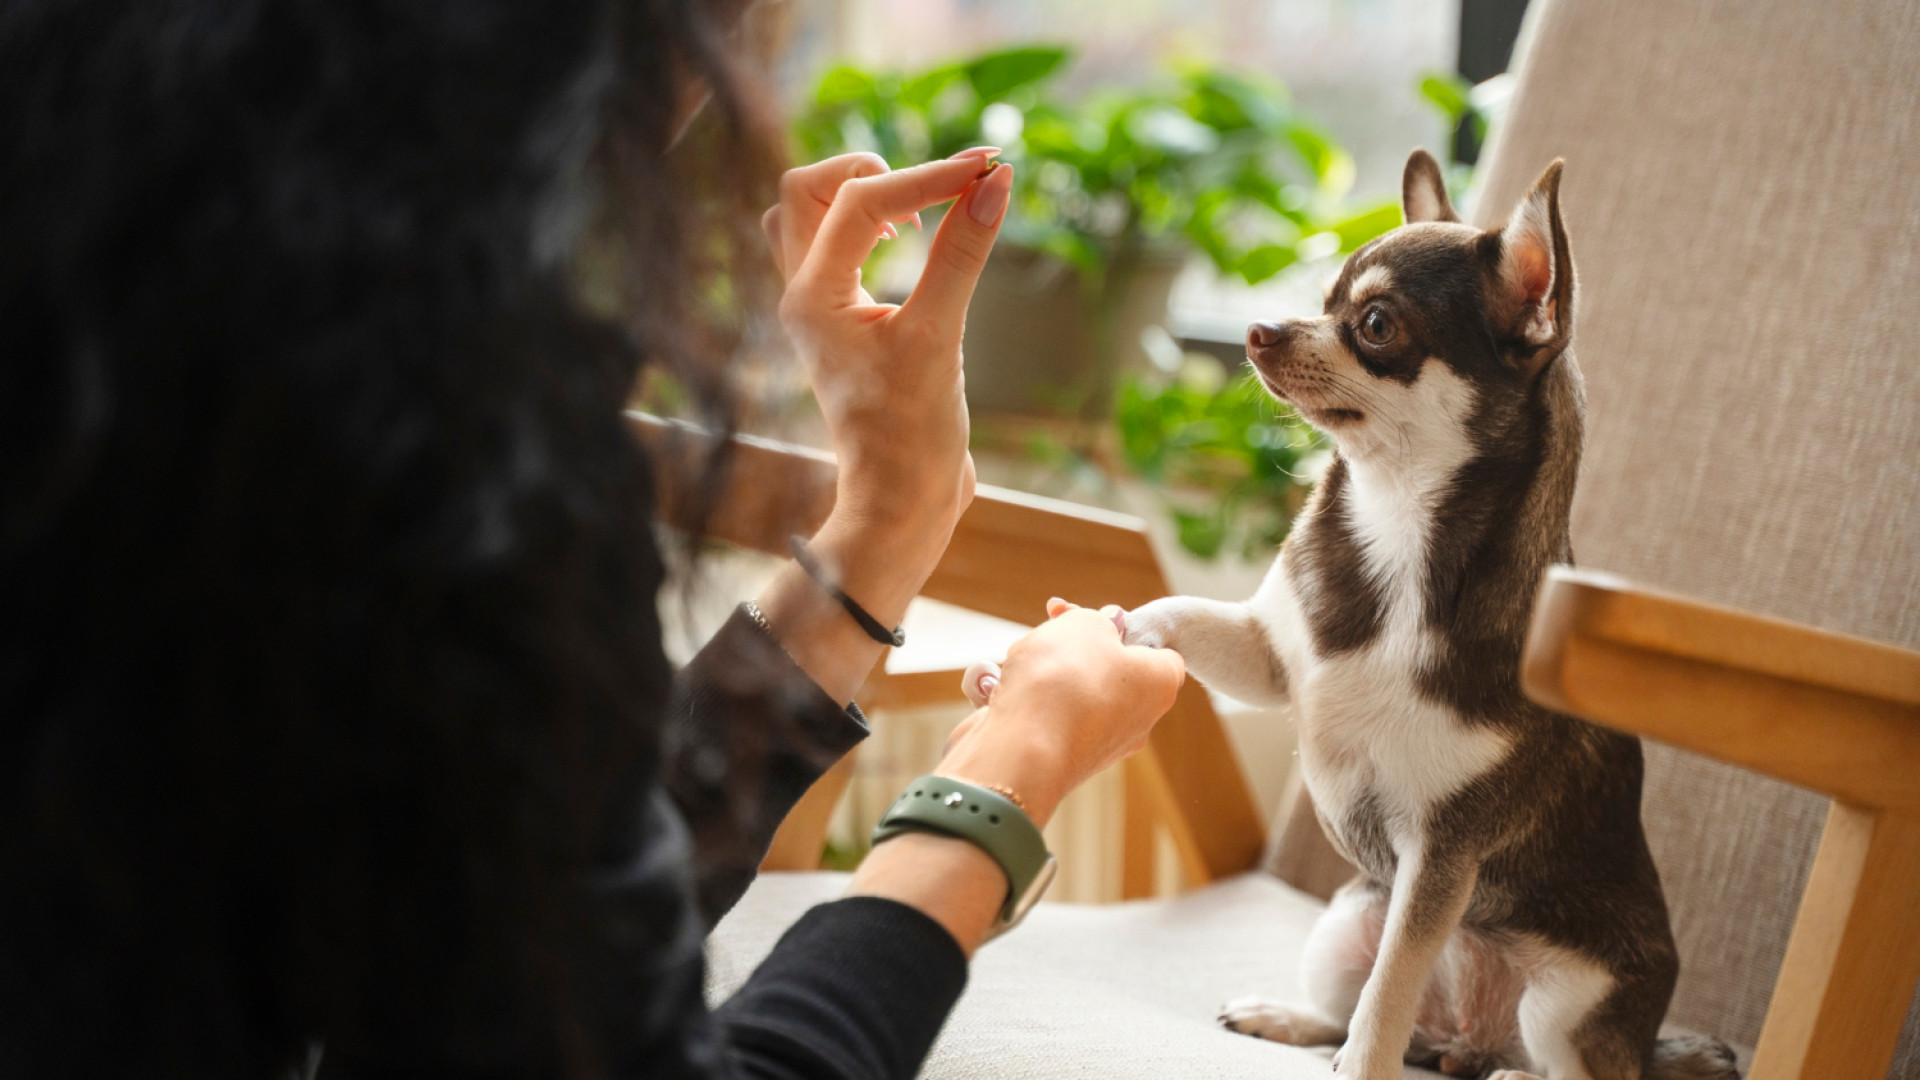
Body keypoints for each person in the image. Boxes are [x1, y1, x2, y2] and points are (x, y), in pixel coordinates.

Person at [0, 3, 1187, 1079]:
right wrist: (1007, 772)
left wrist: (884, 525)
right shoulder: (425, 428)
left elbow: (513, 941)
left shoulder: (145, 313)